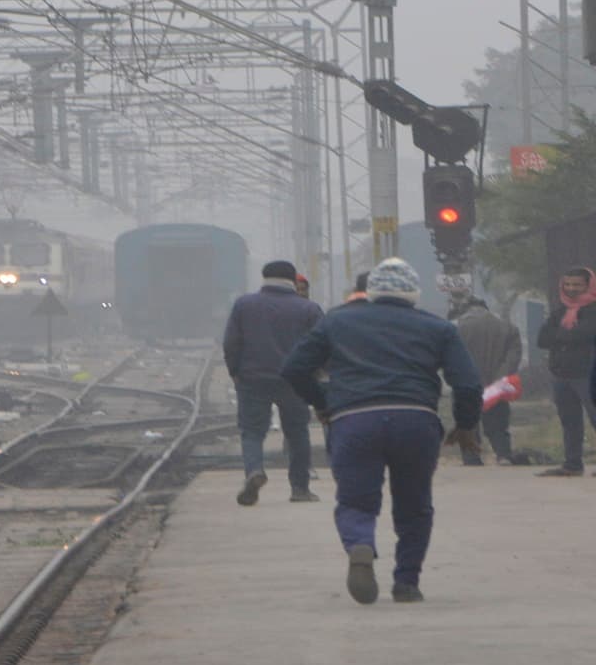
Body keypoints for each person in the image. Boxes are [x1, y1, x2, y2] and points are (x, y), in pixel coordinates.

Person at [281, 257, 482, 605]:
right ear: (414, 293)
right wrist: (465, 425)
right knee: (415, 505)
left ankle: (360, 544)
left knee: (356, 501)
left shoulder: (337, 321)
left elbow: (295, 369)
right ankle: (406, 582)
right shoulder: (439, 328)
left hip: (355, 419)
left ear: (370, 291)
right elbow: (468, 384)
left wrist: (324, 403)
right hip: (415, 421)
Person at [223, 260, 324, 505]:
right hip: (295, 379)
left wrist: (235, 371)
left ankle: (254, 471)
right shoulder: (309, 308)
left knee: (252, 432)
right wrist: (316, 375)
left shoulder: (244, 305)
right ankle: (300, 489)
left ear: (264, 278)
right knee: (298, 432)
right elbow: (322, 345)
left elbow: (231, 342)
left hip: (252, 377)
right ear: (292, 281)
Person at [536, 267, 596, 476]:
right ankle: (572, 464)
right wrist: (568, 333)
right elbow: (542, 339)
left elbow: (587, 333)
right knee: (570, 421)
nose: (571, 289)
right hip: (562, 375)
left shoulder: (593, 310)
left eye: (577, 285)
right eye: (568, 284)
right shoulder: (560, 311)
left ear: (588, 286)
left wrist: (560, 334)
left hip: (587, 375)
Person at [455, 298, 522, 466]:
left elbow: (450, 356)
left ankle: (471, 458)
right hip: (496, 383)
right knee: (498, 421)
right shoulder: (507, 326)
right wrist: (501, 377)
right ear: (486, 307)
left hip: (467, 382)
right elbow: (514, 357)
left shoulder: (456, 327)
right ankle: (503, 454)